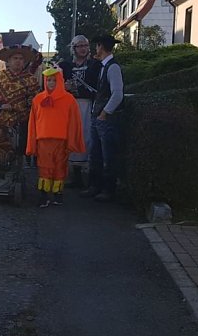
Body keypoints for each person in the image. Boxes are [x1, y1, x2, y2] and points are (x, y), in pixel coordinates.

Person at [25, 68, 85, 207]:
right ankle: (44, 195)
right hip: (43, 140)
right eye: (48, 80)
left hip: (62, 140)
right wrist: (32, 143)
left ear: (60, 81)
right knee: (45, 167)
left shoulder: (69, 100)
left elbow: (74, 122)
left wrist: (71, 141)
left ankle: (58, 194)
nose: (51, 83)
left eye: (54, 80)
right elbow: (32, 123)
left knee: (60, 167)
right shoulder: (38, 99)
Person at [81, 35, 124, 202]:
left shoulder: (113, 68)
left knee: (107, 155)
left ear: (101, 47)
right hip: (98, 116)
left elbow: (117, 93)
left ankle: (108, 190)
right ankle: (95, 186)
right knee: (96, 154)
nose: (95, 50)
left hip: (105, 119)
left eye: (97, 46)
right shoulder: (104, 66)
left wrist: (105, 113)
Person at [57, 35, 101, 188]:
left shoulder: (95, 65)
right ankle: (74, 175)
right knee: (71, 136)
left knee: (86, 136)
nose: (83, 49)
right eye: (80, 46)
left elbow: (97, 86)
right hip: (69, 106)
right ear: (74, 48)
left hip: (86, 105)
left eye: (86, 45)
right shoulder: (65, 66)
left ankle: (88, 176)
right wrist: (64, 87)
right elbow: (54, 85)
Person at [0, 45, 41, 153]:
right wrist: (1, 104)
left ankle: (20, 162)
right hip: (1, 118)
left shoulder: (31, 79)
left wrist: (27, 104)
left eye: (21, 59)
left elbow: (36, 98)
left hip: (23, 119)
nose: (18, 61)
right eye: (15, 58)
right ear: (8, 61)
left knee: (21, 146)